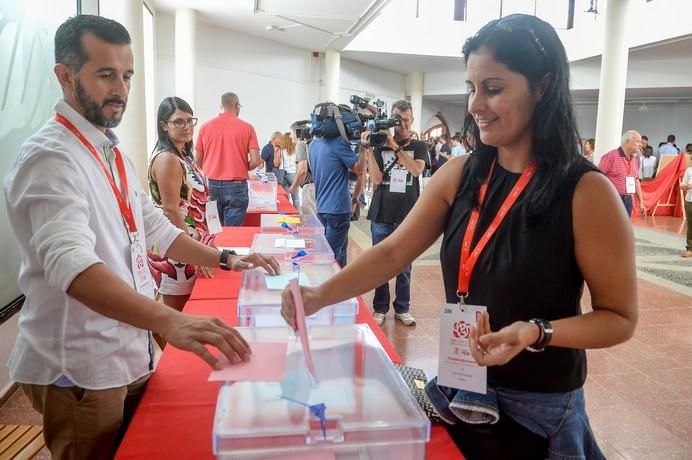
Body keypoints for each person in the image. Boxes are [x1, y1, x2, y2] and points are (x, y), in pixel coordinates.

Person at [282, 14, 637, 460]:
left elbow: (620, 318)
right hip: (459, 387)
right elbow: (393, 252)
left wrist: (536, 332)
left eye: (493, 88)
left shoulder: (586, 192)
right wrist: (317, 296)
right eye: (471, 88)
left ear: (542, 87)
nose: (474, 105)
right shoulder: (459, 174)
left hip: (538, 409)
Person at [3, 16, 280, 460]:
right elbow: (72, 267)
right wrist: (170, 320)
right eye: (106, 74)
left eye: (127, 75)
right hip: (80, 368)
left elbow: (157, 229)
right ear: (65, 76)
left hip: (128, 350)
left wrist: (227, 258)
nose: (121, 90)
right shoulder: (50, 158)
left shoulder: (110, 153)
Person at [146, 97, 216, 325]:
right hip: (178, 248)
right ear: (164, 125)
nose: (186, 127)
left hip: (192, 243)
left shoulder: (183, 156)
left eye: (190, 121)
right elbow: (172, 210)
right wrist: (192, 252)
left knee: (194, 312)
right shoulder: (167, 159)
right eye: (178, 122)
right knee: (181, 319)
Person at [363, 100, 428, 326]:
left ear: (412, 120)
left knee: (404, 265)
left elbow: (416, 170)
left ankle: (402, 307)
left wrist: (396, 147)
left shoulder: (419, 146)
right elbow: (378, 180)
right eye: (398, 120)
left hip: (408, 215)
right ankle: (380, 307)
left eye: (407, 120)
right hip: (382, 212)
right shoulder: (380, 146)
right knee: (380, 262)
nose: (403, 124)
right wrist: (370, 151)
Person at [195, 92, 261, 226]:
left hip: (210, 185)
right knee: (233, 234)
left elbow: (197, 161)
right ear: (237, 106)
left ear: (221, 106)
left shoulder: (205, 127)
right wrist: (240, 166)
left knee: (213, 230)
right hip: (236, 185)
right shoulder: (247, 128)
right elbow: (256, 160)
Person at [309, 117, 367, 267]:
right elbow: (359, 170)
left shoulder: (313, 145)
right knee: (330, 258)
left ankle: (341, 287)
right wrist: (363, 148)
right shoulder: (338, 144)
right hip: (338, 209)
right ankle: (330, 288)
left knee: (339, 253)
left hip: (321, 207)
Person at [599, 131, 646, 216]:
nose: (640, 145)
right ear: (627, 141)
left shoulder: (634, 161)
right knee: (611, 226)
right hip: (612, 199)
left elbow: (636, 181)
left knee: (624, 227)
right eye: (637, 141)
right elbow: (598, 178)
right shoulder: (611, 156)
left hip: (628, 199)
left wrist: (641, 202)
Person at [290, 122, 316, 215]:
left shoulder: (301, 145)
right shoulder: (313, 144)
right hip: (318, 186)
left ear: (297, 133)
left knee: (311, 221)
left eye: (291, 133)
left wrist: (293, 187)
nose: (290, 136)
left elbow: (302, 170)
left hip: (310, 187)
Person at [280, 131, 300, 208]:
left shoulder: (282, 151)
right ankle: (298, 216)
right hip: (294, 175)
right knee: (296, 198)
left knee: (286, 197)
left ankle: (287, 215)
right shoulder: (296, 150)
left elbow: (281, 165)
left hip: (285, 174)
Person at [682, 159, 692, 258]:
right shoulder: (689, 170)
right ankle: (690, 248)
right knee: (690, 225)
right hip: (689, 201)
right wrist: (686, 186)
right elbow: (682, 185)